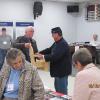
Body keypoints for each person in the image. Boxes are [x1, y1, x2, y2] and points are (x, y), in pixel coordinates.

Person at [35, 27, 72, 95]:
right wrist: (40, 53)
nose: (52, 36)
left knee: (62, 91)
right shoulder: (57, 43)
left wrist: (43, 57)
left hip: (62, 72)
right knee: (57, 89)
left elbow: (55, 56)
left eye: (52, 34)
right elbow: (49, 49)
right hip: (58, 71)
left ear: (57, 34)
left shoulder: (62, 43)